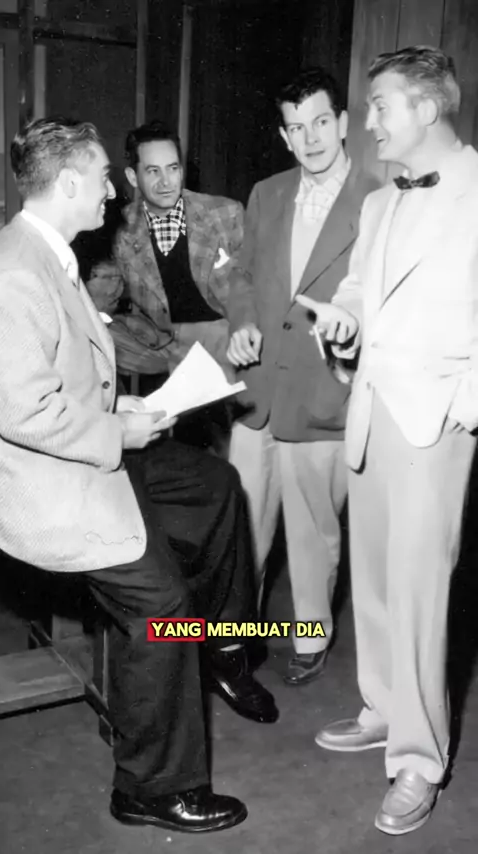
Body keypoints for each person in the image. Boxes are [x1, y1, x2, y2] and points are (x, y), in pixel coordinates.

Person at [0, 116, 277, 834]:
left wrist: (118, 405)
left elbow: (63, 381)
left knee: (215, 489)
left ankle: (224, 647)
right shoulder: (16, 271)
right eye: (101, 178)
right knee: (162, 605)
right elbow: (21, 412)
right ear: (68, 183)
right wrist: (116, 429)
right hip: (54, 487)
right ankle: (151, 788)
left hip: (89, 452)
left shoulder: (48, 252)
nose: (112, 193)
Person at [307, 46, 478, 835]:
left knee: (418, 593)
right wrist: (344, 325)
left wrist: (463, 409)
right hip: (372, 410)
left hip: (434, 421)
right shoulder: (379, 202)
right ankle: (382, 707)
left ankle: (419, 757)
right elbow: (356, 292)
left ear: (427, 108)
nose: (366, 123)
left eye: (379, 106)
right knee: (373, 578)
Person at [226, 67, 376, 685]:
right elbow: (241, 275)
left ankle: (311, 634)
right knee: (243, 529)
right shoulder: (267, 193)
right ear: (283, 136)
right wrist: (241, 321)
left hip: (321, 393)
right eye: (295, 128)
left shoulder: (378, 199)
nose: (309, 138)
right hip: (258, 390)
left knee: (314, 532)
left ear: (341, 124)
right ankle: (235, 638)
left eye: (319, 122)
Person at [86, 120, 244, 451]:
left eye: (173, 169)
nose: (166, 182)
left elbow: (251, 285)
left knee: (226, 441)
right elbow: (102, 295)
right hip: (159, 340)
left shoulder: (225, 214)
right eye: (153, 171)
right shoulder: (119, 228)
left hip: (220, 333)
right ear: (133, 177)